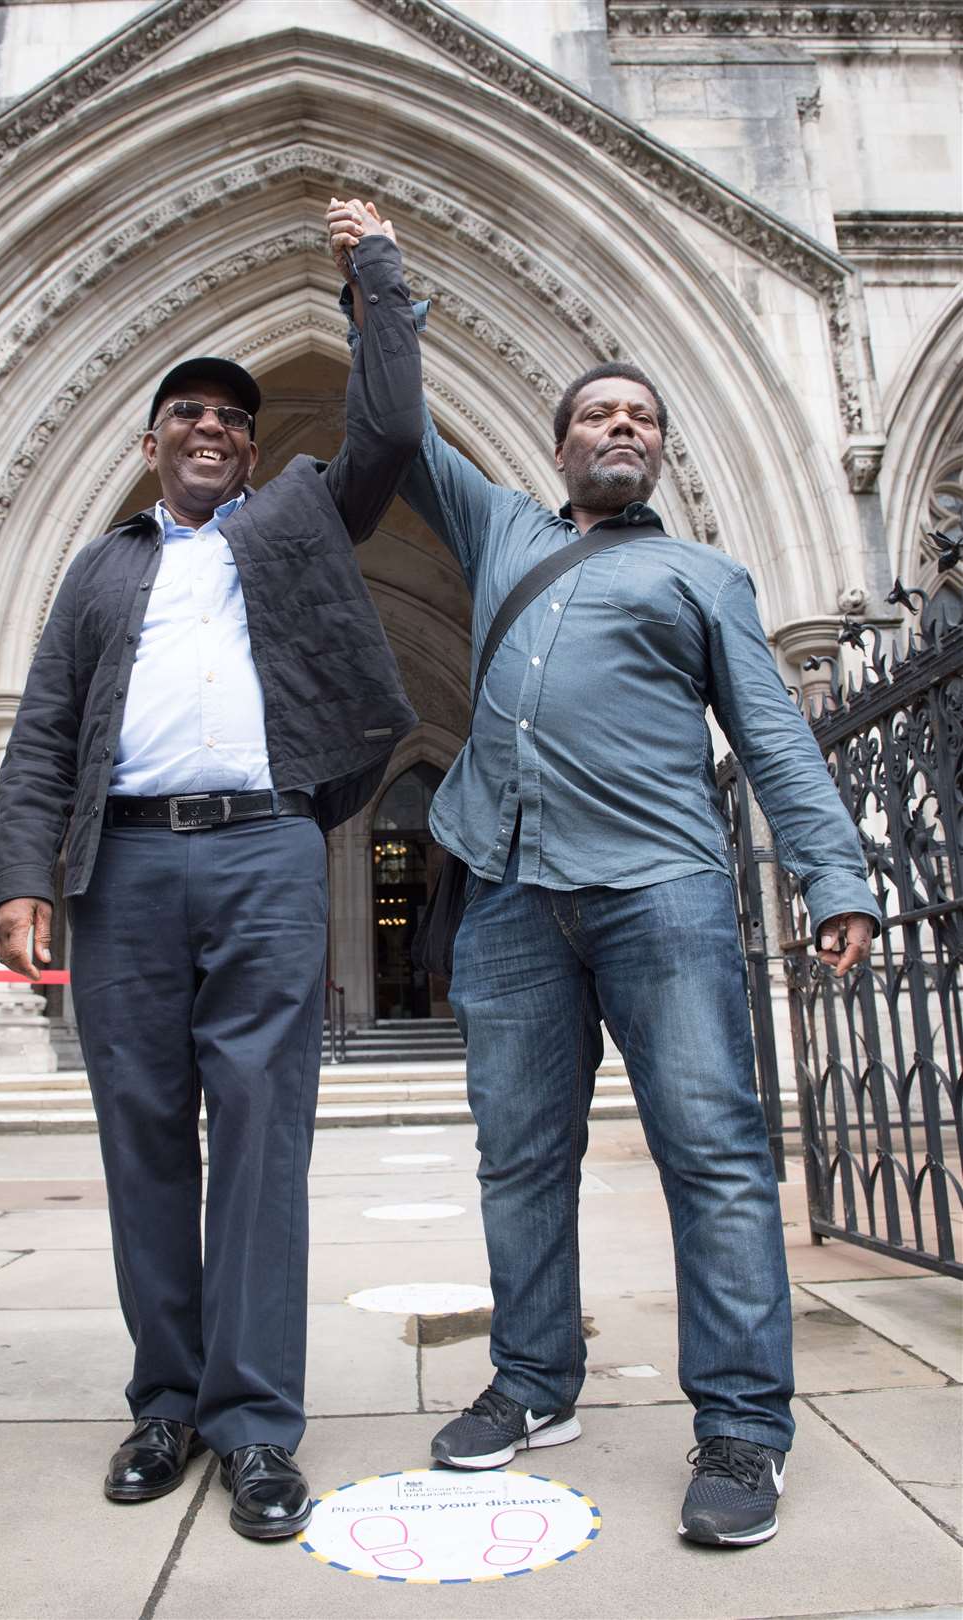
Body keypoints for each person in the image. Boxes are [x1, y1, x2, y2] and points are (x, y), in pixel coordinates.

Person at [328, 200, 878, 1548]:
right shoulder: (505, 531)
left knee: (719, 1158)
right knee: (519, 1160)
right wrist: (377, 279)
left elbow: (771, 737)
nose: (620, 428)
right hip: (509, 897)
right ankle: (531, 1383)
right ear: (561, 445)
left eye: (641, 418)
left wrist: (835, 874)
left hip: (662, 891)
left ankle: (744, 1431)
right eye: (598, 416)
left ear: (662, 454)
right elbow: (398, 432)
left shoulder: (705, 576)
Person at [0, 205, 422, 1541]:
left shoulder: (293, 519)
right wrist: (22, 876)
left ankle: (253, 1424)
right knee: (142, 1140)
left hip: (265, 849)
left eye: (231, 417)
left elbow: (392, 435)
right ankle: (166, 1403)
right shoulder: (96, 570)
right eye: (187, 413)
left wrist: (377, 279)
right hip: (123, 869)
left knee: (262, 1141)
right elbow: (47, 724)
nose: (211, 429)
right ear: (152, 440)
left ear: (250, 446)